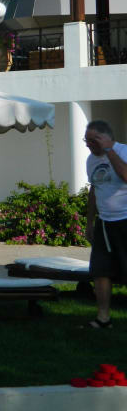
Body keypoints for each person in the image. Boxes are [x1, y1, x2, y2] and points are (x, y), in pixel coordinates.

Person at [83, 119, 127, 329]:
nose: (88, 145)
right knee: (100, 271)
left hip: (125, 220)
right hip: (104, 223)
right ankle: (103, 318)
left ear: (106, 137)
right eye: (86, 140)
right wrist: (90, 221)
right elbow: (95, 189)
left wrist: (110, 151)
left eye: (92, 140)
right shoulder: (91, 160)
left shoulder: (123, 151)